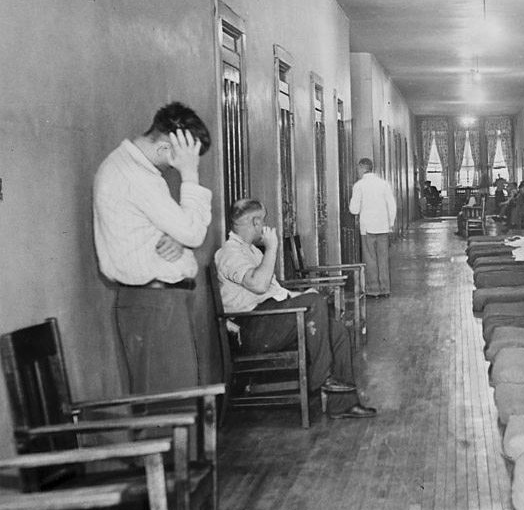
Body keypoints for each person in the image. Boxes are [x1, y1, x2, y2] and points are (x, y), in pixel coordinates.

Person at [215, 199, 376, 419]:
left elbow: (274, 291)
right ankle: (321, 378)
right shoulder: (230, 253)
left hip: (272, 319)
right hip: (253, 329)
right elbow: (259, 285)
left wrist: (300, 296)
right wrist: (272, 247)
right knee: (314, 302)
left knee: (336, 331)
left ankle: (343, 404)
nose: (265, 226)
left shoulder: (250, 251)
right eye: (263, 221)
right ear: (255, 221)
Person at [93, 102, 213, 395]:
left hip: (159, 303)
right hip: (155, 304)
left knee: (177, 406)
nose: (177, 166)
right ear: (165, 148)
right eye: (179, 159)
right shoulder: (135, 176)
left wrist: (180, 236)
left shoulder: (134, 170)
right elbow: (195, 231)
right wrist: (190, 175)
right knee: (170, 410)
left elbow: (183, 230)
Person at [349, 158, 397, 297]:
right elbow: (392, 206)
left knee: (370, 259)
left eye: (358, 169)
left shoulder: (359, 185)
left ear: (362, 168)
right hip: (383, 227)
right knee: (383, 258)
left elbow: (354, 210)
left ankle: (373, 290)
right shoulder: (384, 184)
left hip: (367, 228)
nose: (357, 171)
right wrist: (390, 224)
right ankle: (385, 289)